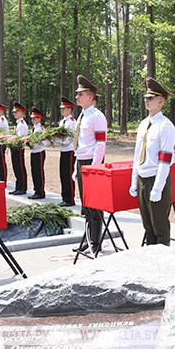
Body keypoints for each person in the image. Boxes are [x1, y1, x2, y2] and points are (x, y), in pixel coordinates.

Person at [129, 78, 175, 245]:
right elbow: (137, 155)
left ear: (161, 101)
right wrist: (134, 181)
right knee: (147, 227)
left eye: (150, 98)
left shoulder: (166, 126)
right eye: (145, 98)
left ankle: (164, 265)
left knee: (160, 228)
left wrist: (157, 188)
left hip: (157, 179)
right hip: (143, 178)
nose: (146, 101)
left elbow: (165, 161)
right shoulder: (143, 124)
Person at [72, 75, 107, 254]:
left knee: (95, 204)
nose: (77, 97)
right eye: (77, 94)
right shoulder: (83, 116)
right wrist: (76, 167)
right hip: (81, 160)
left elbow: (100, 144)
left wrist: (94, 168)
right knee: (86, 203)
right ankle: (87, 239)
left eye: (81, 94)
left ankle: (95, 241)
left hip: (92, 162)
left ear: (91, 97)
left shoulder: (97, 117)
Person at [56, 97, 77, 207]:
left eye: (64, 108)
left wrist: (60, 141)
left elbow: (69, 138)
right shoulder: (62, 122)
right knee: (63, 174)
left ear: (69, 109)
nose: (62, 110)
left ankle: (70, 199)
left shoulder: (72, 122)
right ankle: (64, 197)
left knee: (68, 174)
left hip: (69, 150)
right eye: (61, 108)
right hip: (63, 150)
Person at [9, 102, 29, 195]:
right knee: (16, 168)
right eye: (13, 112)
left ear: (22, 112)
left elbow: (20, 139)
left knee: (20, 168)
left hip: (18, 148)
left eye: (16, 112)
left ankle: (22, 187)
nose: (14, 113)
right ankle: (18, 187)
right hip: (15, 148)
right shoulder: (18, 123)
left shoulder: (21, 124)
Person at [28, 107, 46, 199]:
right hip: (34, 152)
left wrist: (32, 143)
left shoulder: (40, 128)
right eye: (31, 118)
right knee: (34, 171)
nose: (32, 120)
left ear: (39, 118)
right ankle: (36, 190)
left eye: (34, 118)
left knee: (38, 172)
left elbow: (43, 141)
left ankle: (40, 192)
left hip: (39, 151)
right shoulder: (35, 128)